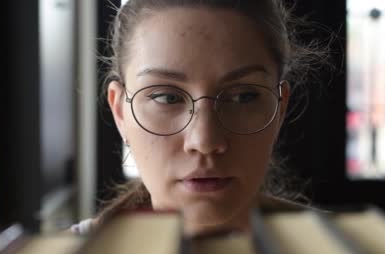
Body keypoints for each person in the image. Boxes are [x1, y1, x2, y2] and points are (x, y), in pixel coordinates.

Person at [71, 0, 328, 237]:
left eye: (243, 97)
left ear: (280, 109)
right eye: (167, 98)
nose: (204, 141)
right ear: (120, 112)